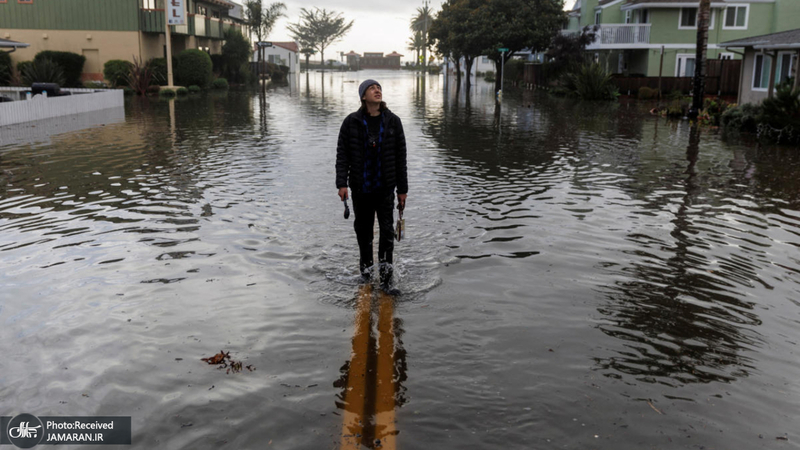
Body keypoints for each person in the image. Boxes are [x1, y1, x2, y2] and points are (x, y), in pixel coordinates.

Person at [336, 79, 408, 291]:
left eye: (379, 88)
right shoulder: (351, 122)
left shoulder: (393, 121)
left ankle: (386, 281)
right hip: (360, 189)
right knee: (364, 232)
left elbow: (401, 158)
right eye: (372, 88)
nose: (377, 91)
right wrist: (342, 183)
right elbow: (342, 155)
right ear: (363, 97)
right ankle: (366, 276)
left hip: (385, 188)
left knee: (387, 233)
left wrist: (402, 190)